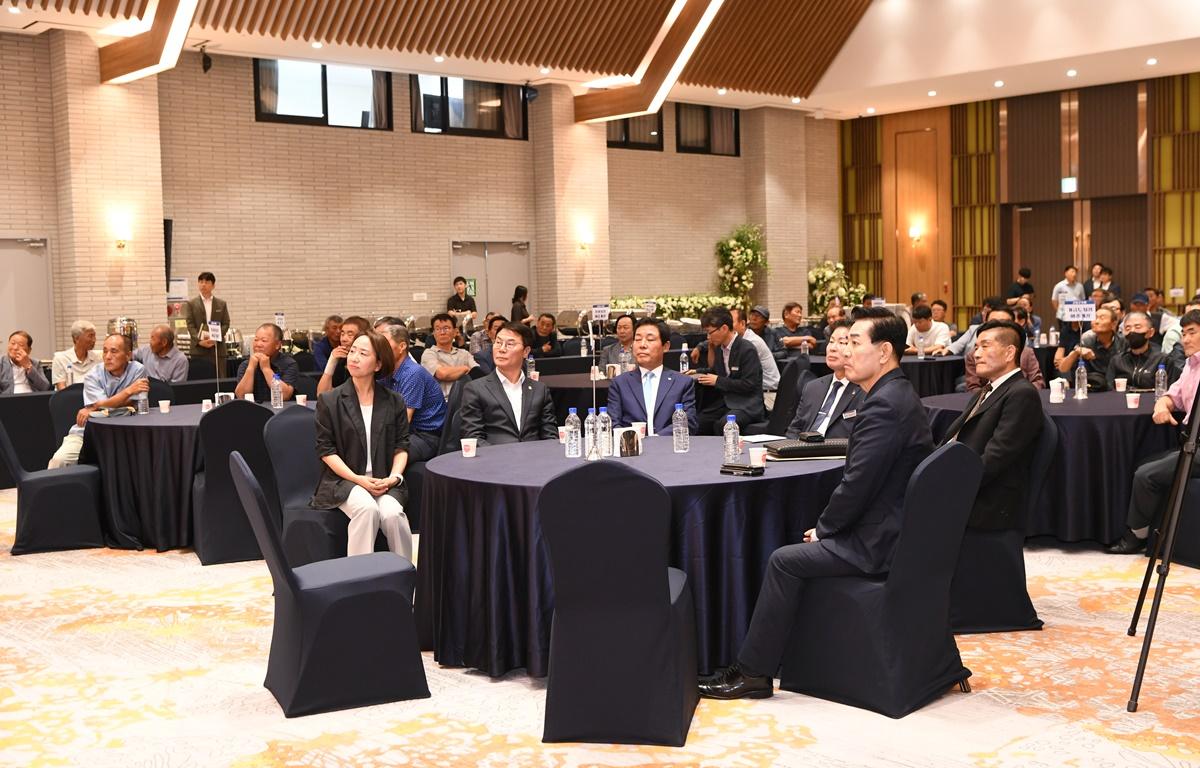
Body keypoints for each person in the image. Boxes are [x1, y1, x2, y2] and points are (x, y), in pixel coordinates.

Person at [698, 308, 932, 700]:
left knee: (783, 559)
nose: (845, 350)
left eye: (856, 342)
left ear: (885, 351)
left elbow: (858, 484)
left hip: (877, 542)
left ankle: (754, 671)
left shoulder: (884, 405)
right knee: (792, 539)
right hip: (889, 525)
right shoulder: (898, 393)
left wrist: (825, 529)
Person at [311, 329, 412, 559]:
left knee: (393, 514)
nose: (354, 357)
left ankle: (405, 577)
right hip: (344, 480)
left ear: (378, 364)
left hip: (384, 479)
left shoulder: (394, 401)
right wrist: (358, 480)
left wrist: (394, 477)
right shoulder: (330, 400)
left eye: (363, 353)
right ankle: (358, 581)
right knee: (366, 509)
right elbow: (326, 451)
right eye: (353, 351)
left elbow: (401, 446)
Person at [1108, 309, 1200, 554]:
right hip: (1190, 442)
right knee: (1142, 463)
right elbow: (1173, 395)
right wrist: (1162, 404)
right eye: (1183, 334)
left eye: (1192, 333)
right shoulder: (1192, 366)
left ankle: (1136, 537)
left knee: (1146, 475)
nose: (1185, 339)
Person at [940, 319, 1044, 529]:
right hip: (967, 479)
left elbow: (996, 457)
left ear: (1009, 353)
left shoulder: (1021, 394)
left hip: (990, 498)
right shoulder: (987, 389)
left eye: (985, 346)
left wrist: (952, 484)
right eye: (976, 347)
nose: (976, 354)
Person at [48, 334, 148, 469]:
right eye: (105, 351)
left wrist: (99, 406)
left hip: (126, 433)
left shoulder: (138, 370)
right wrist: (128, 392)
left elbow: (135, 404)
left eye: (114, 351)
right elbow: (112, 406)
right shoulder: (93, 375)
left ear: (128, 355)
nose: (107, 356)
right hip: (89, 432)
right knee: (59, 461)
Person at [458, 322, 557, 445]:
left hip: (534, 458)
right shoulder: (475, 389)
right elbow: (473, 437)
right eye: (498, 342)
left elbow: (550, 435)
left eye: (510, 344)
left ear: (526, 351)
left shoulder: (540, 389)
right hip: (495, 459)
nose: (502, 349)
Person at [604, 318, 698, 435]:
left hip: (668, 448)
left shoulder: (682, 382)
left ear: (665, 346)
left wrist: (657, 439)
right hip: (633, 449)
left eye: (650, 339)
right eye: (638, 339)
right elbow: (613, 423)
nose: (642, 345)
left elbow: (689, 422)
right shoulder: (620, 383)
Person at [688, 307, 764, 435]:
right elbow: (716, 371)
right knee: (698, 422)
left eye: (710, 332)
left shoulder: (746, 349)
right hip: (727, 402)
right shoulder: (719, 348)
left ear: (723, 328)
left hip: (747, 404)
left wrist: (718, 381)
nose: (708, 337)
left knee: (723, 425)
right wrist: (696, 372)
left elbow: (749, 384)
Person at [785, 319, 863, 439]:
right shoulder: (813, 387)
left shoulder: (864, 390)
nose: (832, 348)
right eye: (831, 341)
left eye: (842, 343)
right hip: (801, 452)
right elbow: (794, 429)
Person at [381, 324, 446, 461]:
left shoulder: (412, 373)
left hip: (426, 436)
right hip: (409, 433)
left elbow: (404, 420)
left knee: (380, 454)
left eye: (385, 343)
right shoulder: (387, 370)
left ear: (402, 346)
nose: (379, 349)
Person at [965, 307, 1044, 390]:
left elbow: (1038, 382)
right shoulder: (974, 354)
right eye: (993, 323)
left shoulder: (1026, 353)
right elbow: (973, 388)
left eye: (1004, 323)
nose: (998, 327)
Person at [1055, 306, 1124, 391]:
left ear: (1113, 323)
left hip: (1116, 388)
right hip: (1093, 388)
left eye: (1102, 318)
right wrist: (1076, 352)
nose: (1096, 321)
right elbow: (1063, 368)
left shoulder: (1123, 342)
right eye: (1095, 318)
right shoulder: (1087, 339)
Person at [234, 323, 298, 402]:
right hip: (254, 411)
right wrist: (251, 368)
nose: (258, 344)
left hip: (281, 411)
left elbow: (284, 396)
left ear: (277, 345)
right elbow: (241, 396)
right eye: (256, 340)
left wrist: (266, 369)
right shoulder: (246, 365)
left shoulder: (289, 364)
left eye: (264, 340)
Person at [1107, 313, 1171, 391]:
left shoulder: (1163, 360)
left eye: (1137, 327)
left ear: (1150, 332)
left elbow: (1172, 392)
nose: (1132, 331)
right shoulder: (1117, 361)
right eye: (1127, 328)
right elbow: (1109, 388)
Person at [421, 313, 479, 397]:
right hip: (442, 403)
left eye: (446, 328)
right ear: (433, 333)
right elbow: (442, 374)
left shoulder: (464, 353)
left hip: (467, 400)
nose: (442, 332)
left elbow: (476, 372)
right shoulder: (429, 354)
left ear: (455, 332)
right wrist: (465, 368)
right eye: (438, 329)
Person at [731, 307, 781, 399]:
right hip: (759, 391)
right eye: (752, 315)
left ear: (742, 324)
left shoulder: (751, 342)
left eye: (730, 323)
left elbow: (737, 375)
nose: (753, 318)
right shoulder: (745, 336)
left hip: (767, 394)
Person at [184, 271, 230, 365]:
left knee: (219, 378)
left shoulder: (221, 304)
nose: (203, 285)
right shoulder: (191, 304)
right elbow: (190, 324)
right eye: (201, 282)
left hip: (217, 348)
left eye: (207, 282)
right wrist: (199, 341)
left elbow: (226, 323)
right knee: (201, 378)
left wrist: (216, 337)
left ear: (213, 285)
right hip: (198, 349)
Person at [318, 315, 369, 395]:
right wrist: (332, 361)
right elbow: (321, 394)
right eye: (342, 334)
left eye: (350, 335)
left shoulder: (368, 361)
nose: (343, 339)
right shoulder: (341, 358)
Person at [51, 320, 102, 389]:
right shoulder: (60, 359)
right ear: (76, 338)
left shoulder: (98, 357)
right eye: (90, 336)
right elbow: (61, 391)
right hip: (69, 398)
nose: (94, 340)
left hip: (93, 398)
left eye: (94, 336)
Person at [1051, 265, 1087, 349]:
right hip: (1063, 316)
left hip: (1077, 316)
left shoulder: (1080, 286)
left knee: (1077, 336)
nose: (1074, 274)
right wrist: (1058, 311)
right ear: (1065, 273)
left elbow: (1083, 300)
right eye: (1072, 272)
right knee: (1064, 336)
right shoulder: (1059, 286)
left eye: (1075, 272)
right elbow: (1054, 300)